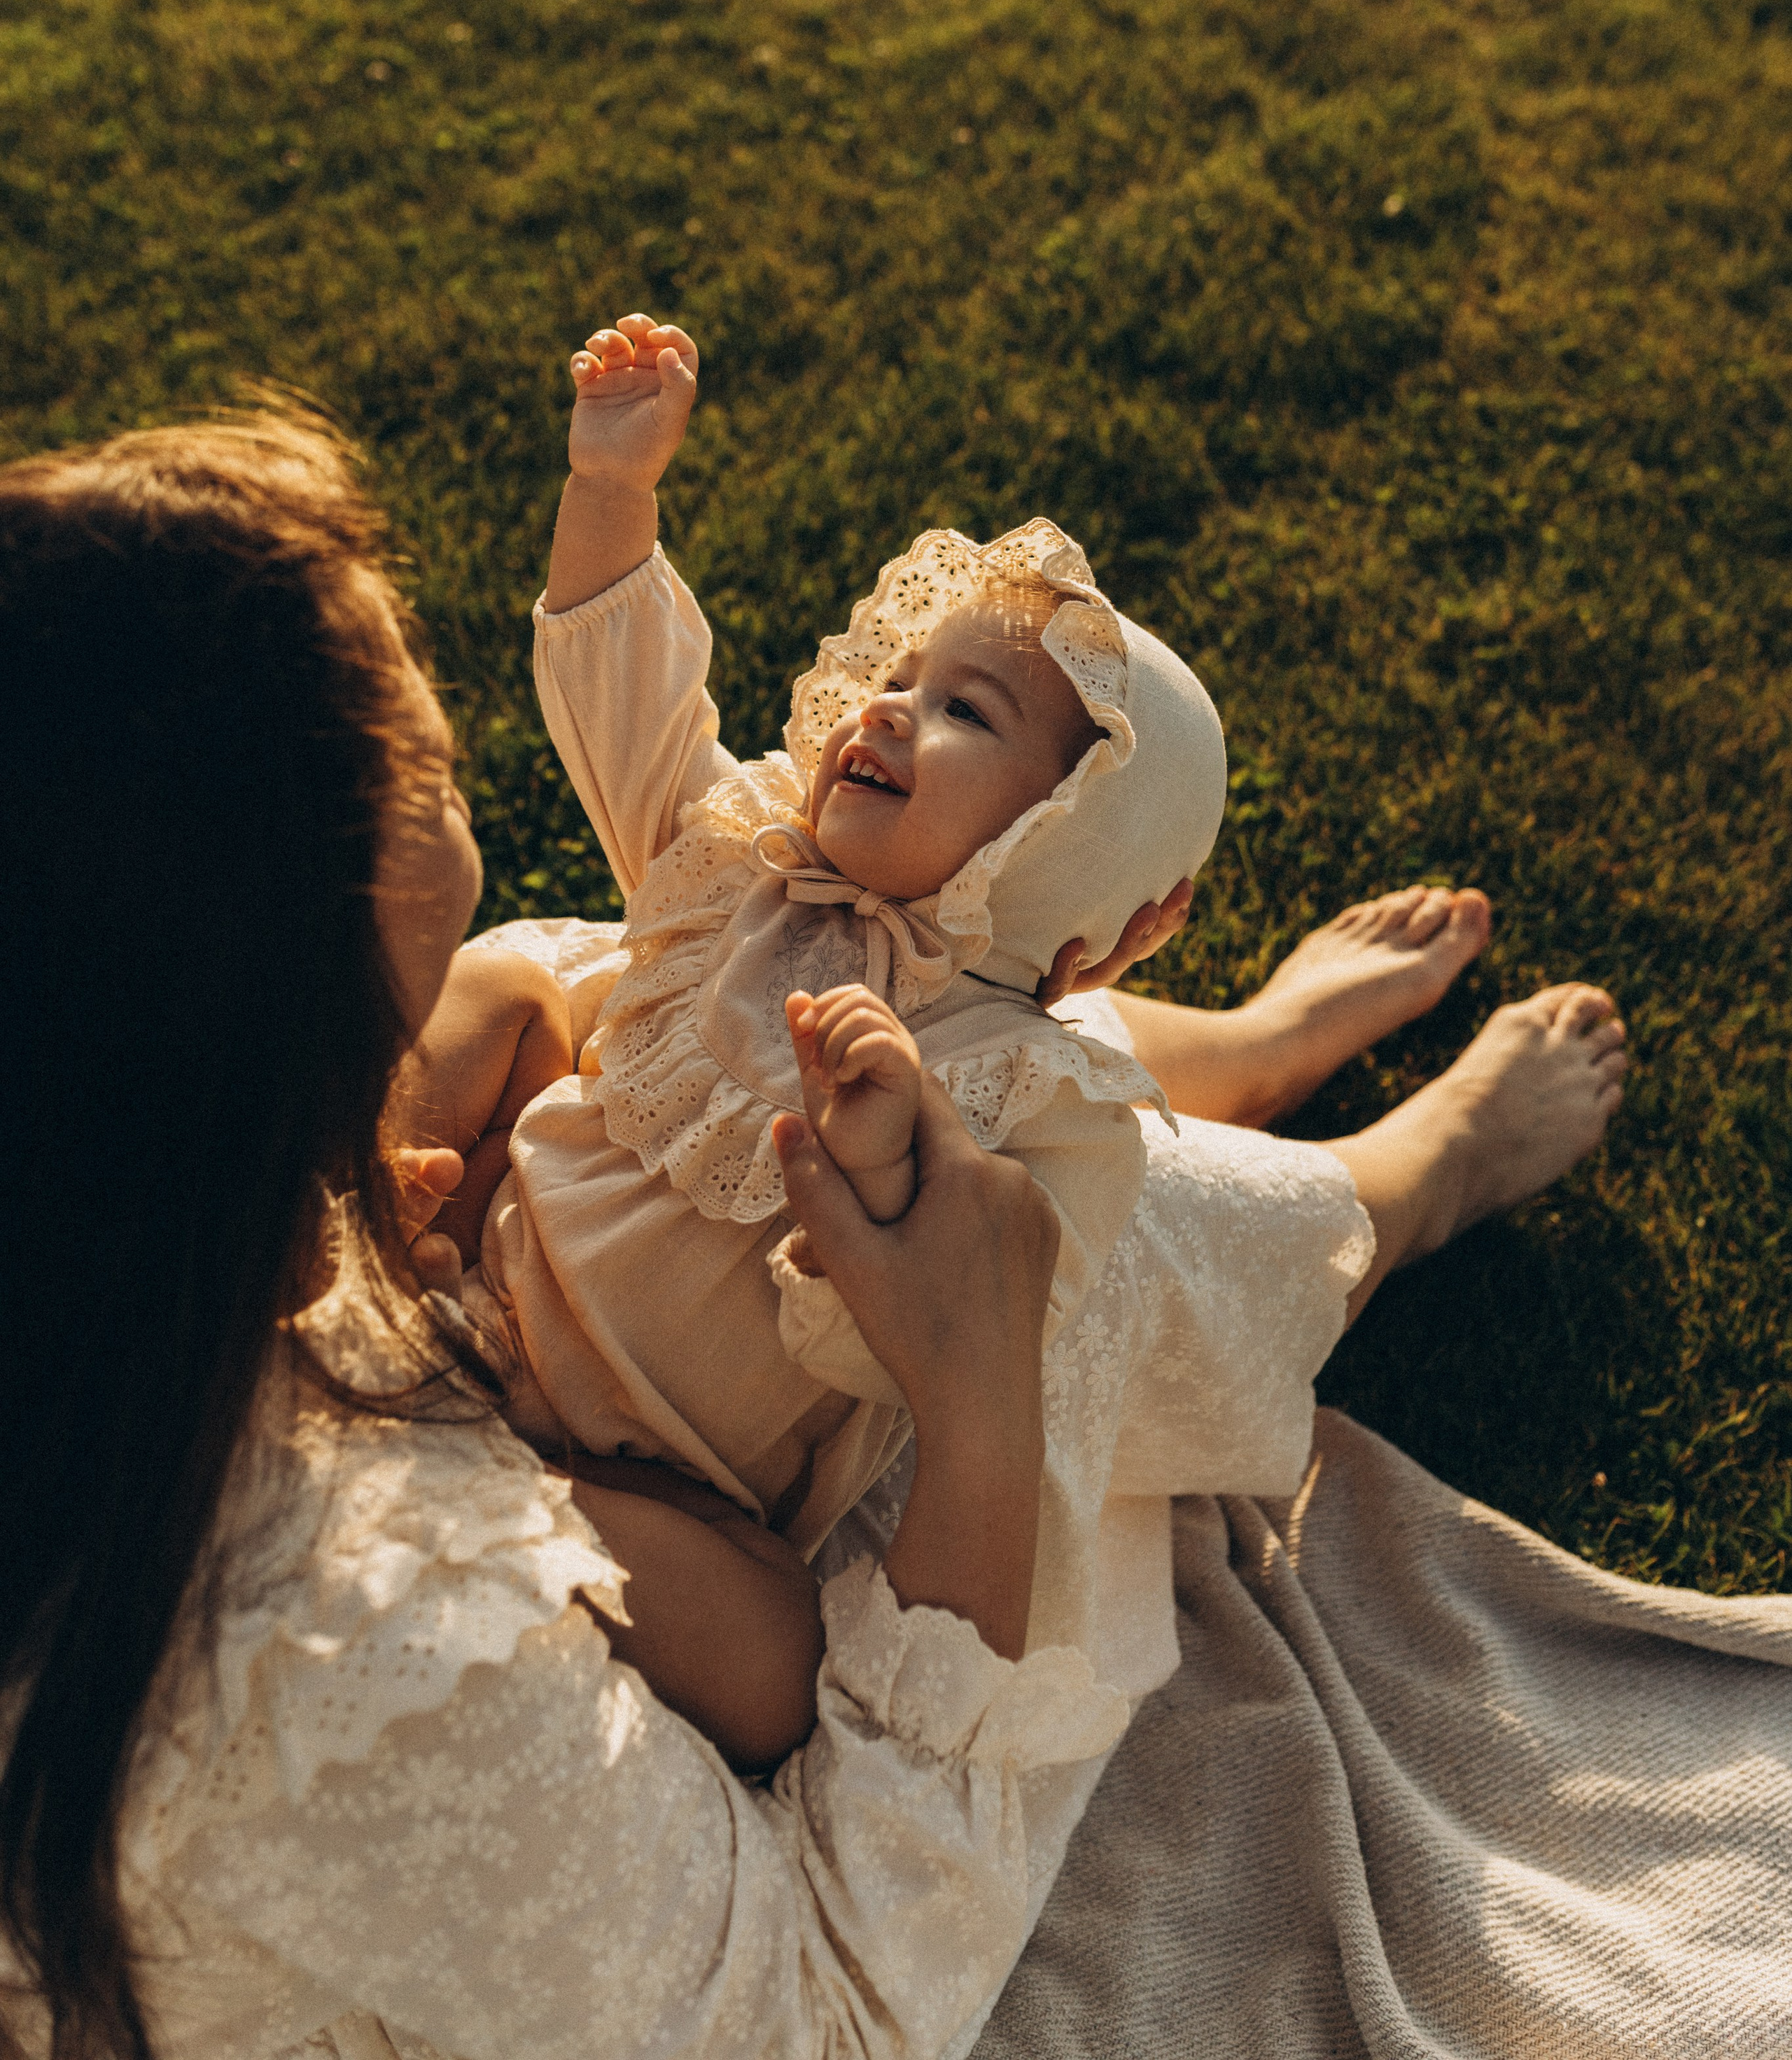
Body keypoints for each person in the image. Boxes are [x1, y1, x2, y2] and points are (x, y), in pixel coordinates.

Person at [0, 410, 1133, 2060]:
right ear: (273, 978)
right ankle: (1371, 1183)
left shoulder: (117, 1196)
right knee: (1111, 1217)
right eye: (422, 754)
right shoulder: (363, 1664)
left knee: (704, 999)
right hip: (629, 1426)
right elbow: (827, 2019)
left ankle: (1248, 1074)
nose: (441, 727)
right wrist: (977, 1417)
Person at [390, 312, 1628, 1767]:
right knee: (495, 993)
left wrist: (871, 1181)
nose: (890, 711)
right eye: (900, 680)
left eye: (962, 710)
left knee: (766, 1654)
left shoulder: (1037, 1101)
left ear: (1078, 876)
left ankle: (1384, 1145)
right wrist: (613, 488)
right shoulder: (739, 862)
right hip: (472, 1271)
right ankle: (350, 1191)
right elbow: (630, 712)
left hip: (635, 1476)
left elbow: (961, 1344)